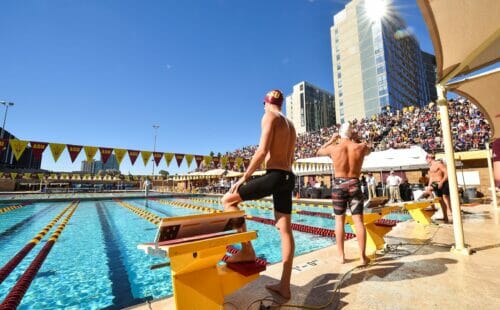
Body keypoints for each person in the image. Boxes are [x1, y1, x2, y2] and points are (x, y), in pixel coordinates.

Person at [221, 89, 296, 299]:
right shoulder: (290, 125)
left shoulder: (269, 116)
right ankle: (285, 286)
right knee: (285, 230)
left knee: (228, 200)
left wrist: (244, 177)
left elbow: (262, 151)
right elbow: (289, 158)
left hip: (274, 175)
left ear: (265, 103)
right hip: (288, 177)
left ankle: (246, 250)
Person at [316, 122, 371, 265]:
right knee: (358, 221)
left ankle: (341, 257)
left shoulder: (334, 148)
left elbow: (319, 151)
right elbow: (369, 150)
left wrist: (331, 140)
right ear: (351, 133)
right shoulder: (361, 147)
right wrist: (357, 139)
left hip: (339, 185)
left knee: (339, 221)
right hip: (354, 183)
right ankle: (362, 257)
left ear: (340, 134)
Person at [426, 154, 452, 223]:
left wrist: (442, 182)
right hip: (435, 183)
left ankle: (435, 208)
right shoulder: (431, 167)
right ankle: (445, 217)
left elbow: (446, 173)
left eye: (426, 158)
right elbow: (431, 177)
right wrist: (428, 185)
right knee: (440, 200)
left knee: (445, 197)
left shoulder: (439, 164)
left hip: (441, 182)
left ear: (430, 158)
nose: (426, 160)